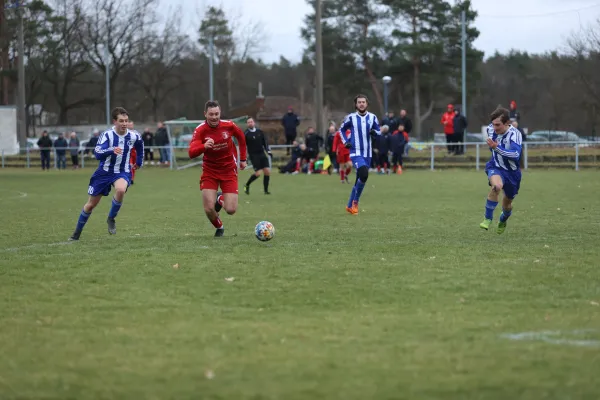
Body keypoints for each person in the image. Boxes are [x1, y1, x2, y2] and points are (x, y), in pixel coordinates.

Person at [68, 107, 143, 241]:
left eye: (126, 121)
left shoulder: (133, 135)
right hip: (104, 172)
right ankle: (77, 233)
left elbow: (140, 145)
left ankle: (111, 218)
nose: (124, 123)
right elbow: (97, 154)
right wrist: (111, 150)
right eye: (121, 121)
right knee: (91, 205)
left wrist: (138, 161)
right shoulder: (107, 135)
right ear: (115, 121)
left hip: (122, 171)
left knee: (120, 190)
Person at [188, 100, 247, 237]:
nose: (214, 117)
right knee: (209, 209)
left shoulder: (229, 126)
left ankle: (220, 198)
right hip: (210, 171)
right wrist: (204, 147)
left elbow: (241, 138)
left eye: (216, 114)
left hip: (228, 170)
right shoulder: (200, 130)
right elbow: (191, 152)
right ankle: (219, 227)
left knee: (231, 210)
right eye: (211, 114)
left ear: (220, 113)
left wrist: (243, 159)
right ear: (205, 114)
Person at [480, 107, 523, 234]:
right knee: (497, 187)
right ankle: (487, 219)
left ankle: (503, 219)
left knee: (507, 204)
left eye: (498, 125)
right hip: (496, 166)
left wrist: (496, 148)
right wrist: (494, 150)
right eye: (493, 124)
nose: (494, 128)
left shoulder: (515, 134)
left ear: (507, 123)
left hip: (512, 173)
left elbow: (516, 155)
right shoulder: (490, 129)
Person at [338, 94, 381, 214]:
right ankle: (355, 202)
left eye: (363, 102)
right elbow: (341, 130)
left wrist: (374, 133)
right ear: (356, 104)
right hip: (355, 151)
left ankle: (349, 206)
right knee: (364, 173)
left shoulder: (372, 117)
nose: (361, 104)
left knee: (359, 179)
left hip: (368, 153)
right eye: (359, 102)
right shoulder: (351, 118)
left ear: (367, 104)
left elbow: (378, 132)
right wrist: (345, 141)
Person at [244, 117, 272, 195]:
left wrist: (268, 151)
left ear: (254, 123)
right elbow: (243, 146)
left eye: (251, 122)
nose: (250, 123)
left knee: (267, 171)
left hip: (262, 154)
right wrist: (244, 157)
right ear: (247, 124)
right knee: (258, 173)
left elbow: (265, 143)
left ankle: (266, 191)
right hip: (254, 155)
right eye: (248, 122)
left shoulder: (260, 132)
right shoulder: (246, 134)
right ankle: (247, 185)